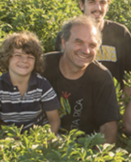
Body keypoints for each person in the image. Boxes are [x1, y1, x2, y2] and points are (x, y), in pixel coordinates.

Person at [44, 16, 120, 144]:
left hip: (84, 149)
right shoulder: (43, 66)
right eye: (78, 42)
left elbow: (109, 126)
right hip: (41, 146)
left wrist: (96, 159)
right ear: (64, 43)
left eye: (92, 45)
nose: (86, 50)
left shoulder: (102, 77)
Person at [55, 0, 131, 96]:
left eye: (102, 3)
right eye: (91, 2)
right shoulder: (68, 34)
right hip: (78, 100)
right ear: (81, 5)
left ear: (107, 6)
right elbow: (60, 71)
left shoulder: (120, 33)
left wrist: (125, 100)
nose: (97, 8)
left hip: (113, 100)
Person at [0, 32, 60, 134]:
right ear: (7, 58)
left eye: (30, 57)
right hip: (8, 137)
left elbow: (54, 120)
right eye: (18, 55)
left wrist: (46, 140)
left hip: (39, 135)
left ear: (36, 61)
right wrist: (10, 141)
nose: (24, 61)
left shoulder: (42, 85)